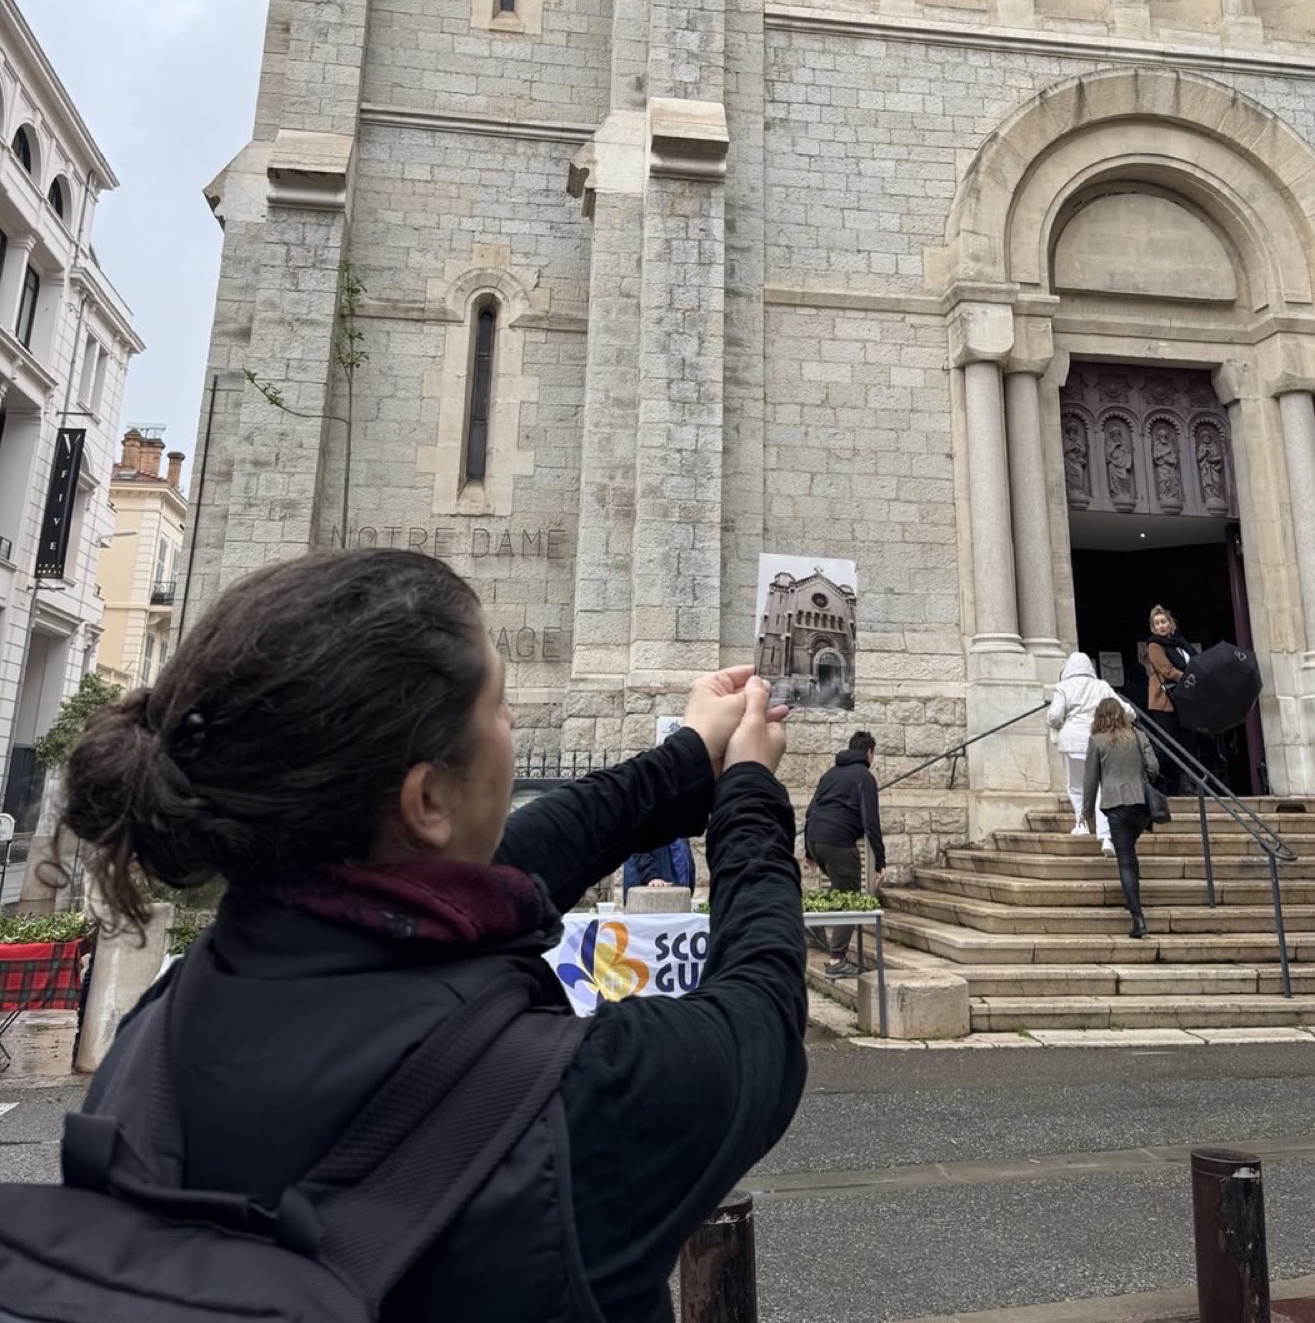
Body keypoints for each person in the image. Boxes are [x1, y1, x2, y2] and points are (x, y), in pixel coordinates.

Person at [57, 549, 806, 1323]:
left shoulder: (157, 1036)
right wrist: (749, 786)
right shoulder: (581, 1104)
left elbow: (489, 871)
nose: (510, 726)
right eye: (500, 706)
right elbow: (762, 1005)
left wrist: (684, 758)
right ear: (425, 800)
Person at [803, 729, 886, 980]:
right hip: (838, 841)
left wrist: (808, 850)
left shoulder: (830, 774)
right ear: (869, 752)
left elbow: (811, 809)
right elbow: (871, 821)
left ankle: (813, 925)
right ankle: (837, 959)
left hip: (816, 839)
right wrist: (880, 862)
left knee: (839, 888)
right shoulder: (864, 777)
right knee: (849, 897)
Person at [1082, 697, 1161, 940]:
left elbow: (1090, 780)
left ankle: (1137, 918)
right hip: (1139, 805)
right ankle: (1132, 901)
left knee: (1125, 859)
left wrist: (1086, 812)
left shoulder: (1097, 742)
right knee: (1130, 853)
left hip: (1115, 805)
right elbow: (1154, 767)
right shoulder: (1138, 736)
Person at [1047, 650, 1134, 856]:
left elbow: (1055, 715)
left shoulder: (1063, 687)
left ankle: (1082, 823)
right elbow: (1125, 710)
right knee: (1101, 789)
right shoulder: (1101, 686)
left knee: (1076, 787)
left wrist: (1054, 720)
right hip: (1098, 741)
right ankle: (1106, 836)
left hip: (1071, 742)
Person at [1142, 602, 1194, 793]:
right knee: (1166, 743)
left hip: (1183, 698)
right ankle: (1156, 783)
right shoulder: (1154, 645)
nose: (1161, 626)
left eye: (1163, 622)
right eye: (1157, 624)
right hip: (1164, 700)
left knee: (1185, 741)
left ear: (1170, 623)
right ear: (1153, 628)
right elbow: (1167, 670)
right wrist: (1191, 675)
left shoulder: (1180, 643)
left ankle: (1184, 782)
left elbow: (1193, 659)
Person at [622, 836, 695, 894]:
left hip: (677, 894)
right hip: (649, 892)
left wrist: (690, 883)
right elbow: (639, 845)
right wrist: (651, 877)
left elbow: (682, 852)